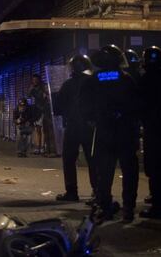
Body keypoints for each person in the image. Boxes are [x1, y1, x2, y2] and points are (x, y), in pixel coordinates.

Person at [80, 45, 140, 223]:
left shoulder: (93, 80)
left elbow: (83, 106)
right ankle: (128, 208)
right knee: (129, 172)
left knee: (104, 172)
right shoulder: (125, 78)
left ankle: (105, 206)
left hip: (104, 132)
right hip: (125, 132)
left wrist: (94, 120)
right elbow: (136, 104)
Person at [55, 54, 96, 202]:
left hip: (72, 127)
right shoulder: (94, 82)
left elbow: (58, 106)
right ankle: (97, 191)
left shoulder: (68, 84)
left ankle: (72, 192)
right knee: (93, 160)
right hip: (90, 127)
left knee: (69, 160)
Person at [139, 46, 161, 219]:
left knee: (154, 167)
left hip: (153, 129)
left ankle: (157, 206)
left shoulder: (145, 79)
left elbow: (139, 104)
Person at [28, 75, 56, 156]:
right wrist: (31, 88)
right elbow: (28, 95)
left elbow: (48, 94)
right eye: (33, 80)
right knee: (38, 129)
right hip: (37, 110)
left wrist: (46, 94)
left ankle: (44, 147)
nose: (35, 81)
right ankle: (38, 147)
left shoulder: (43, 87)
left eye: (36, 79)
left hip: (45, 109)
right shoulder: (33, 88)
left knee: (45, 129)